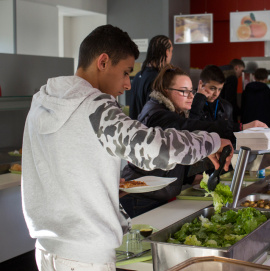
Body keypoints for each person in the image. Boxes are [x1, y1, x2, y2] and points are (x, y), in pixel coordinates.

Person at [21, 25, 232, 270]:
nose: (128, 84)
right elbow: (156, 149)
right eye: (125, 72)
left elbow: (64, 171)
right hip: (86, 256)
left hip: (47, 251)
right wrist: (212, 142)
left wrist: (106, 190)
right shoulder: (94, 106)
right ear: (102, 62)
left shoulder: (42, 100)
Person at [121, 64, 238, 217]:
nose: (191, 96)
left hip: (155, 195)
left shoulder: (170, 111)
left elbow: (172, 156)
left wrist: (189, 177)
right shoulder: (158, 114)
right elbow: (189, 128)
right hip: (142, 197)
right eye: (184, 91)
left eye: (191, 91)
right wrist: (239, 128)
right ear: (165, 90)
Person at [190, 64, 267, 144]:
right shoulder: (189, 103)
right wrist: (199, 99)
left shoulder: (227, 106)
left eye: (220, 89)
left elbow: (230, 136)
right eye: (212, 88)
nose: (216, 94)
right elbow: (192, 129)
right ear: (201, 85)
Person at [129, 35, 172, 119]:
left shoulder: (138, 75)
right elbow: (155, 113)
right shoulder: (158, 79)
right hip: (148, 129)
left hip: (135, 127)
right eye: (171, 51)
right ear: (167, 52)